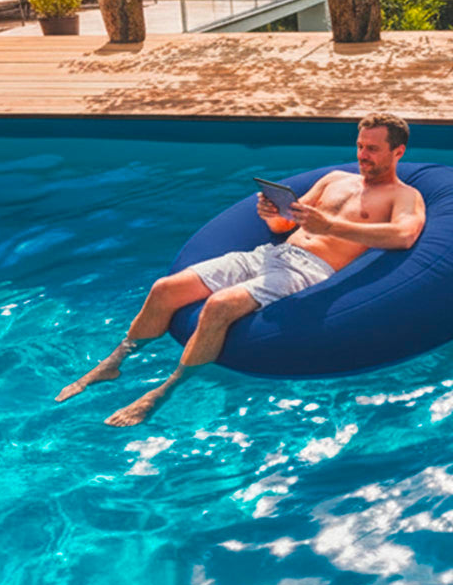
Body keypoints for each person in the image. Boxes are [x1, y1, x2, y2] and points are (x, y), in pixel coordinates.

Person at [54, 112, 427, 426]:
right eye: (360, 146)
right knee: (164, 288)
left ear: (398, 152)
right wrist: (273, 214)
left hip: (311, 271)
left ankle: (164, 392)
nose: (363, 155)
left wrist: (330, 227)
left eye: (373, 149)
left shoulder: (404, 196)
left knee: (219, 306)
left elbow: (404, 235)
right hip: (271, 254)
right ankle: (114, 362)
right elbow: (287, 225)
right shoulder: (335, 180)